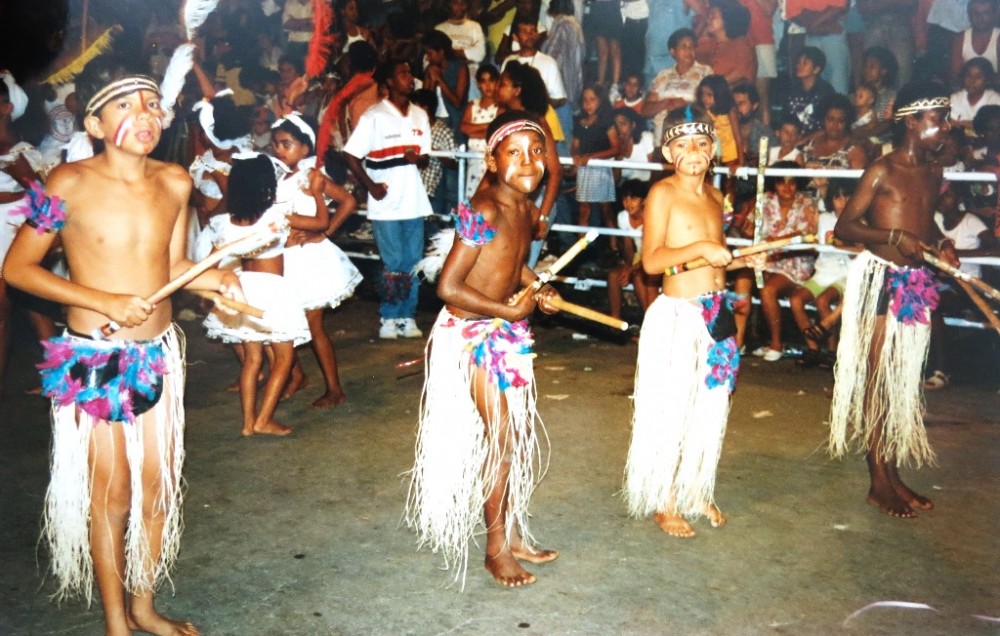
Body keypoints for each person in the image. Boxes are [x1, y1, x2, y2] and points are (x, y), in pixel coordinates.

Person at [2, 57, 246, 636]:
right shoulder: (66, 183)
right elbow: (18, 268)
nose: (145, 114)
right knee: (111, 496)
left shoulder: (176, 180)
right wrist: (104, 300)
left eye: (152, 103)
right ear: (92, 122)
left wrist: (217, 279)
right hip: (95, 359)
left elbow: (176, 264)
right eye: (125, 105)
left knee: (158, 489)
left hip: (158, 352)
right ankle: (116, 623)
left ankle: (144, 607)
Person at [405, 110, 560, 587]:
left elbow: (512, 264)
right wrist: (507, 311)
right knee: (503, 440)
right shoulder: (485, 208)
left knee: (508, 438)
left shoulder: (527, 210)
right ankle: (496, 548)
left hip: (501, 330)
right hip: (471, 335)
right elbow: (448, 286)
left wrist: (541, 287)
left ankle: (510, 534)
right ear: (492, 161)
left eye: (537, 152)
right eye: (515, 153)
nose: (528, 162)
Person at [625, 105, 758, 538]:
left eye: (702, 143)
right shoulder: (662, 193)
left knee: (710, 404)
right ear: (668, 152)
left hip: (716, 313)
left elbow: (711, 260)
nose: (694, 151)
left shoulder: (717, 197)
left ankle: (695, 487)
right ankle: (663, 499)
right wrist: (702, 245)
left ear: (714, 149)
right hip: (678, 316)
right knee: (672, 406)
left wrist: (737, 267)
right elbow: (652, 261)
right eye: (683, 144)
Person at [829, 81, 960, 518]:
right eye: (937, 119)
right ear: (911, 122)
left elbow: (927, 221)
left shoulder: (933, 168)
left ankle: (893, 473)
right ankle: (877, 481)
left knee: (901, 380)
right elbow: (845, 228)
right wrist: (893, 237)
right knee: (877, 380)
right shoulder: (881, 171)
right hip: (882, 280)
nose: (946, 126)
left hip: (915, 281)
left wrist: (940, 242)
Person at [202, 153, 315, 436]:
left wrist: (208, 292)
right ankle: (264, 419)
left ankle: (247, 424)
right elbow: (313, 225)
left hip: (244, 288)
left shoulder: (227, 223)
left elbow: (209, 265)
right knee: (284, 359)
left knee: (252, 361)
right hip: (274, 291)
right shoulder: (275, 216)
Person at [271, 113, 362, 407]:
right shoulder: (281, 175)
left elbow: (348, 202)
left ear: (305, 148)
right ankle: (296, 375)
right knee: (282, 322)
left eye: (287, 144)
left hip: (309, 260)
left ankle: (335, 389)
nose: (279, 150)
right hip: (284, 257)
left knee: (313, 327)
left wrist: (325, 234)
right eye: (276, 144)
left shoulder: (313, 176)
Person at [344, 59, 432, 339]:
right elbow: (351, 155)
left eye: (410, 72)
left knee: (412, 260)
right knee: (393, 261)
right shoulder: (374, 116)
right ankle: (389, 317)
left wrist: (418, 158)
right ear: (389, 83)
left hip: (414, 200)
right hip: (386, 201)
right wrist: (370, 186)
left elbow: (426, 156)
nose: (410, 77)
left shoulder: (420, 115)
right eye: (402, 73)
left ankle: (408, 315)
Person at [742, 161, 819, 362]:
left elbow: (808, 235)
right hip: (766, 260)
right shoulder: (765, 200)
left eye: (792, 183)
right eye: (781, 183)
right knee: (744, 280)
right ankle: (744, 340)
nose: (787, 188)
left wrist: (774, 243)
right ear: (774, 184)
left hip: (795, 263)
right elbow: (748, 229)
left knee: (768, 289)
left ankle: (777, 343)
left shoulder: (807, 203)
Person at [643, 28, 714, 148]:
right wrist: (667, 103)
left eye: (691, 46)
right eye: (684, 46)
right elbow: (645, 110)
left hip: (692, 129)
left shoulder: (705, 72)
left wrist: (686, 106)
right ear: (673, 52)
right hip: (663, 134)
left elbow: (712, 104)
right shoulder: (663, 76)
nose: (689, 50)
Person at [607, 179, 658, 320]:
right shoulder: (623, 217)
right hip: (638, 258)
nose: (628, 203)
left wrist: (631, 270)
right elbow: (628, 246)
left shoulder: (652, 217)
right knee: (613, 275)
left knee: (638, 278)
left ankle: (650, 321)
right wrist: (627, 267)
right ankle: (615, 321)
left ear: (644, 200)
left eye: (633, 198)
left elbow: (652, 253)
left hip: (654, 257)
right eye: (625, 199)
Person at [572, 83, 619, 232]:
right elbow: (574, 145)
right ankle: (581, 248)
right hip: (584, 169)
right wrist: (575, 156)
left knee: (605, 209)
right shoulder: (579, 121)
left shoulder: (606, 121)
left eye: (592, 99)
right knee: (583, 209)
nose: (588, 104)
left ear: (600, 101)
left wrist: (591, 157)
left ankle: (614, 246)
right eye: (585, 100)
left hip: (600, 169)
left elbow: (615, 148)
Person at [460, 63, 502, 199]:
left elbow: (495, 133)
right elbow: (464, 128)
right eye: (483, 81)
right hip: (474, 162)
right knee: (472, 199)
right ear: (478, 84)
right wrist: (489, 125)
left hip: (491, 163)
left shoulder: (501, 107)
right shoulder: (472, 105)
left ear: (497, 83)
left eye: (491, 81)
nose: (488, 86)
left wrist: (476, 129)